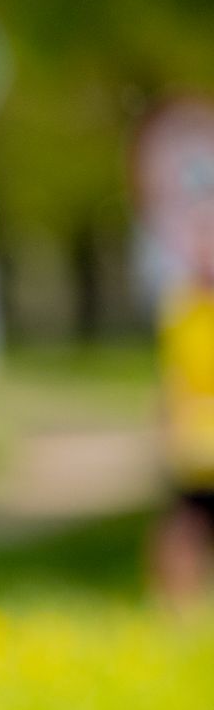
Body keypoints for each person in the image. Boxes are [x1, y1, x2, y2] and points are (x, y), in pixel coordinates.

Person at [151, 216, 214, 607]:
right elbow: (172, 375)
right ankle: (178, 612)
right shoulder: (180, 307)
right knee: (184, 528)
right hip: (194, 441)